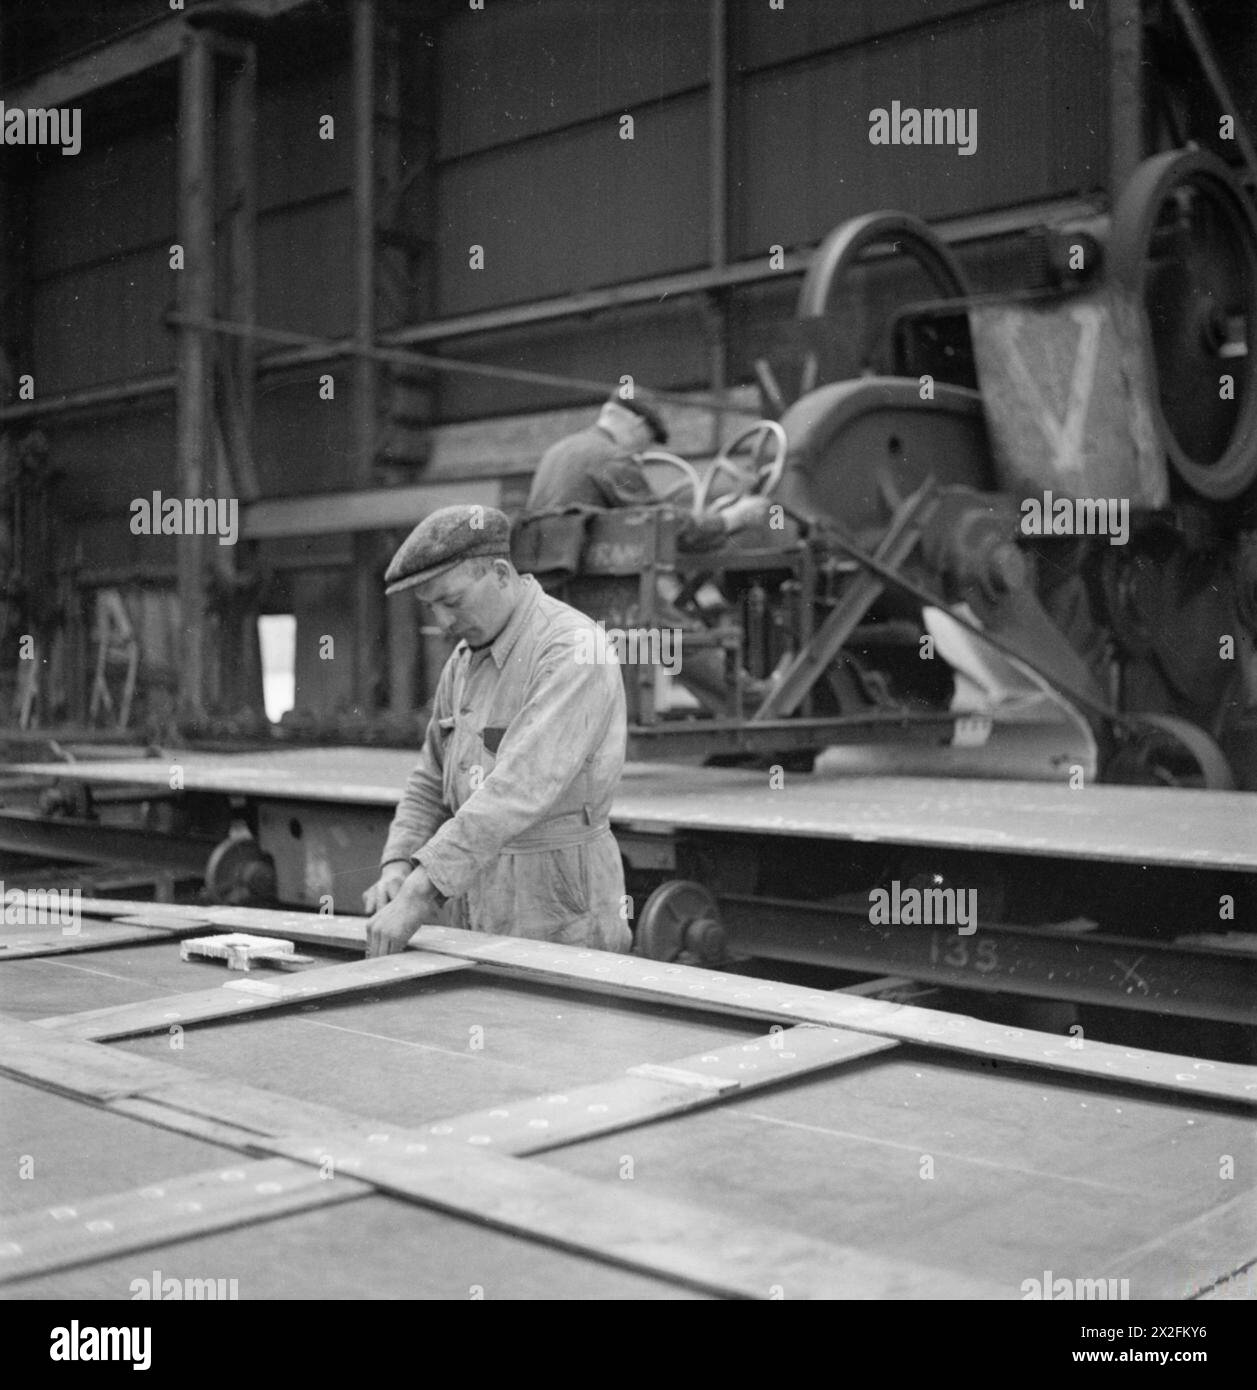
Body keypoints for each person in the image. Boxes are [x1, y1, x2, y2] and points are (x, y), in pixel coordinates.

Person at [363, 504, 631, 957]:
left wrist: (419, 893)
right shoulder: (466, 659)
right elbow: (430, 778)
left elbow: (518, 787)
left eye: (452, 601)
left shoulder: (571, 649)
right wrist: (396, 864)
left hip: (557, 904)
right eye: (431, 607)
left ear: (502, 573)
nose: (445, 623)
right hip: (479, 895)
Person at [526, 393, 773, 714]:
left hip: (560, 582)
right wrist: (731, 518)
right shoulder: (611, 457)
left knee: (669, 626)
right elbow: (668, 526)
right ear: (636, 423)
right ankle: (754, 702)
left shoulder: (559, 451)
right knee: (678, 636)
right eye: (648, 441)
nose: (644, 452)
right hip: (598, 585)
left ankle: (733, 706)